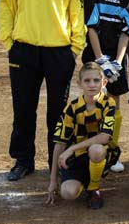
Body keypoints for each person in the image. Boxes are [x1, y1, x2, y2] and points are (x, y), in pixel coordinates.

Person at [0, 0, 85, 181]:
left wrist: (74, 49)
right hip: (23, 51)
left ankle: (56, 163)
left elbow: (76, 12)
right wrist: (9, 42)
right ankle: (23, 161)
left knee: (57, 113)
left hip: (60, 52)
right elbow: (6, 6)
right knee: (23, 109)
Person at [81, 0, 129, 173]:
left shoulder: (128, 0)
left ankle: (112, 152)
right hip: (95, 56)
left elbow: (126, 33)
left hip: (115, 60)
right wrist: (101, 58)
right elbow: (91, 28)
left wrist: (117, 62)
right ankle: (92, 149)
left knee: (113, 104)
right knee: (92, 101)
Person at [46, 62, 121, 209]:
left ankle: (93, 188)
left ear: (104, 82)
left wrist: (72, 148)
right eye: (87, 81)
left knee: (96, 149)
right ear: (79, 83)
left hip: (101, 154)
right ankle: (85, 179)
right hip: (78, 158)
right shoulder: (71, 108)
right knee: (68, 193)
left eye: (96, 80)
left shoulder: (109, 104)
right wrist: (53, 179)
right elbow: (60, 143)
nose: (92, 85)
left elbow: (105, 137)